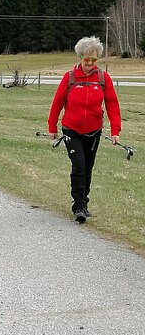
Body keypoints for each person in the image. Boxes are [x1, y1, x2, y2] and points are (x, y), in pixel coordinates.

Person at [47, 36, 121, 223]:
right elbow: (57, 103)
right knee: (79, 166)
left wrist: (115, 131)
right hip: (71, 129)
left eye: (93, 60)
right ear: (80, 57)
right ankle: (78, 206)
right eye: (86, 59)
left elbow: (112, 104)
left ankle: (84, 203)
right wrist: (52, 127)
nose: (90, 64)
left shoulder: (103, 79)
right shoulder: (69, 78)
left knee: (88, 168)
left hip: (94, 131)